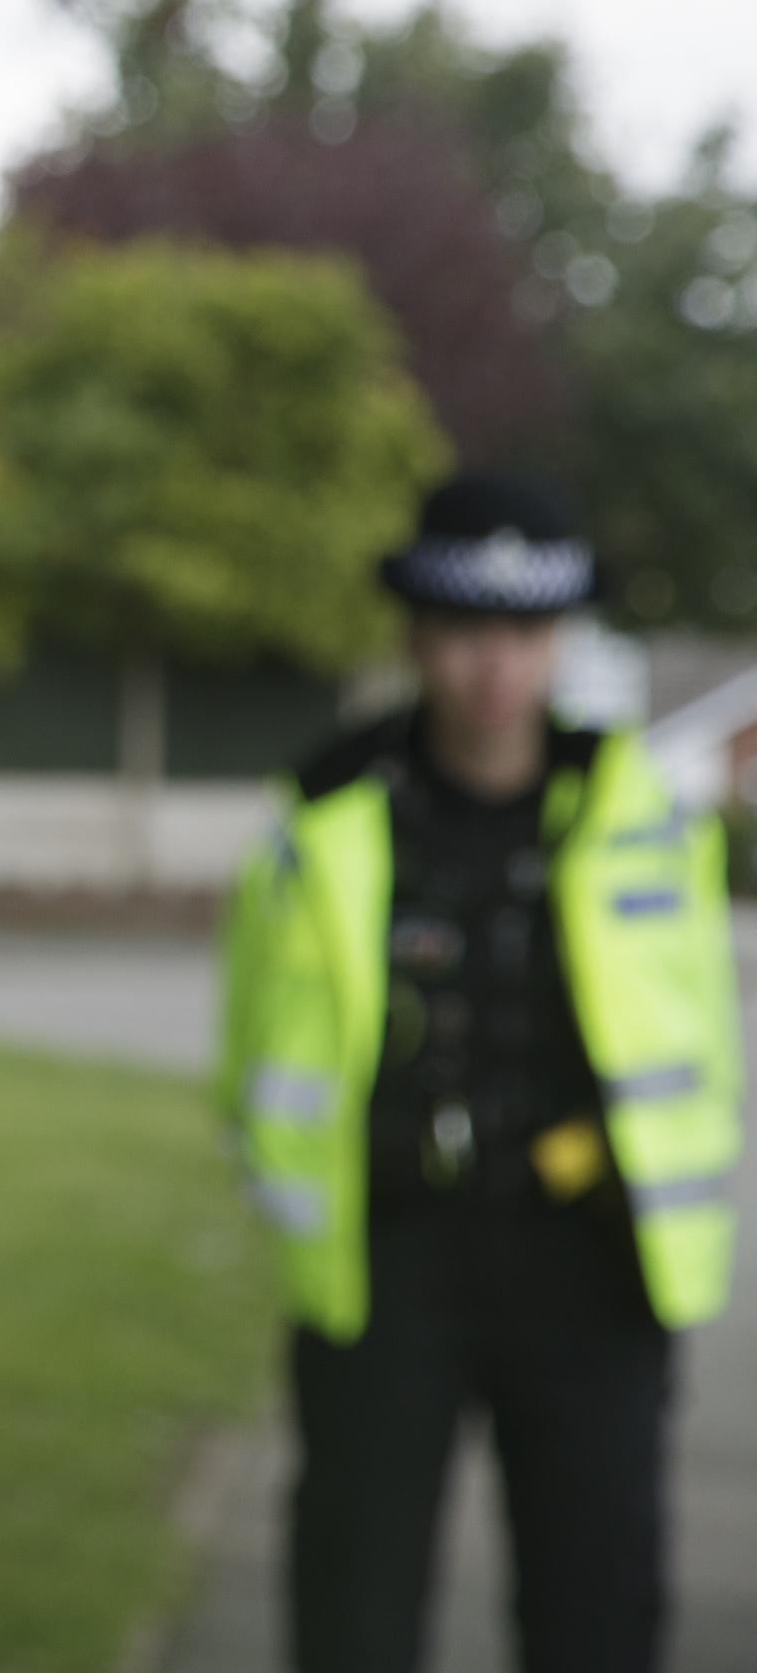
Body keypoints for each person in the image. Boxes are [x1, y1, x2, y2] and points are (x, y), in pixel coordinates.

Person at [220, 472, 738, 1673]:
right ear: (415, 633)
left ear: (562, 637)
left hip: (594, 1265)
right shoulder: (325, 816)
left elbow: (697, 1040)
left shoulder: (646, 815)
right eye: (465, 629)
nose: (495, 664)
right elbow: (249, 1045)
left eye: (527, 631)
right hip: (390, 1262)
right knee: (353, 1601)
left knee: (597, 1603)